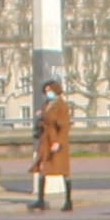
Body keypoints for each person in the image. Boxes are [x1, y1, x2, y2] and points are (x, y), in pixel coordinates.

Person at [29, 80, 71, 211]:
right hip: (45, 140)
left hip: (56, 140)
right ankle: (40, 200)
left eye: (50, 91)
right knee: (43, 168)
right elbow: (45, 120)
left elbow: (64, 126)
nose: (48, 93)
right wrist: (40, 117)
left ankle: (68, 201)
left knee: (63, 170)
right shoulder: (47, 104)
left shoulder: (61, 106)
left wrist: (58, 142)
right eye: (46, 91)